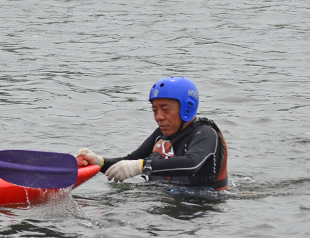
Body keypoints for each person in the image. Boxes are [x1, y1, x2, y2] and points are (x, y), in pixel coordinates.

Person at [77, 77, 228, 190]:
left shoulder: (206, 133)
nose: (159, 117)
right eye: (155, 110)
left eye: (165, 109)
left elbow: (192, 163)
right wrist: (100, 162)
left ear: (187, 108)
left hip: (201, 205)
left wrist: (142, 166)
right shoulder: (160, 135)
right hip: (165, 198)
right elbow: (131, 160)